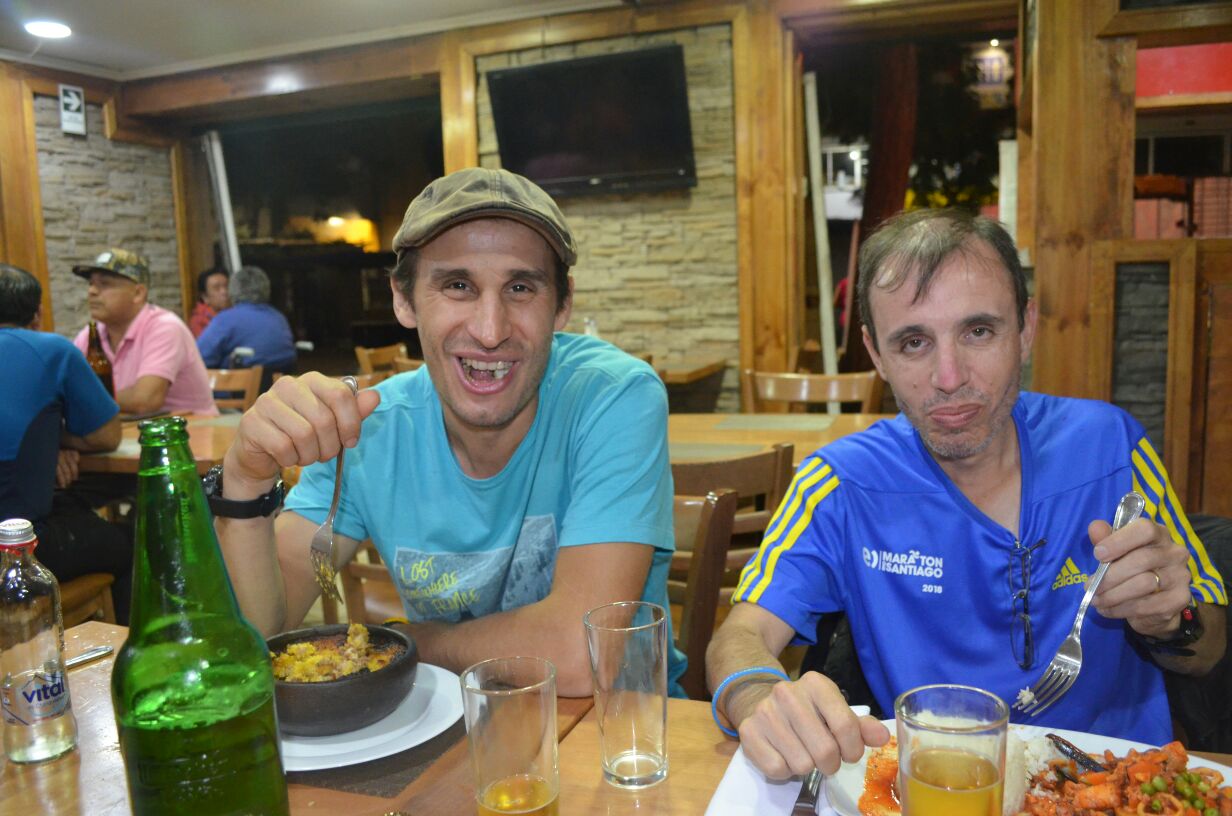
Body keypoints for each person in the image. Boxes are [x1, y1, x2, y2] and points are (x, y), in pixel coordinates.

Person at [706, 207, 1227, 779]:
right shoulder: (840, 484)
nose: (949, 377)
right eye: (913, 342)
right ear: (876, 354)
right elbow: (741, 634)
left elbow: (1210, 649)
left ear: (1025, 328)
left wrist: (1172, 619)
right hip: (937, 786)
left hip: (1118, 784)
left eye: (978, 331)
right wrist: (757, 695)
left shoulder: (1111, 448)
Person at [211, 167, 685, 697]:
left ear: (563, 304)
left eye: (520, 287)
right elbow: (258, 633)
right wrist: (244, 482)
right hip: (445, 730)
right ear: (404, 299)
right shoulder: (370, 429)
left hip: (621, 733)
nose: (490, 330)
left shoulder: (612, 397)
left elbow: (581, 656)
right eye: (458, 286)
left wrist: (411, 642)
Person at [0, 263, 133, 623]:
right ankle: (122, 647)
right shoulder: (51, 350)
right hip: (18, 548)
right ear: (38, 314)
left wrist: (45, 437)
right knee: (131, 541)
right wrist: (52, 436)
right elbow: (107, 435)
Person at [71, 248, 217, 416]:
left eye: (105, 284)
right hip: (132, 428)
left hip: (190, 428)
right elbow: (67, 388)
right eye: (91, 283)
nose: (92, 291)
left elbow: (145, 401)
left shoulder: (164, 327)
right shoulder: (90, 334)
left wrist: (85, 397)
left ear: (138, 293)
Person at [196, 265, 296, 378]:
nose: (224, 292)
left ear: (232, 291)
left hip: (239, 387)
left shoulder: (225, 319)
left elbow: (198, 359)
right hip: (281, 385)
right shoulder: (279, 318)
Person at [189, 266, 229, 337]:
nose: (224, 292)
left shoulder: (235, 313)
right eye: (217, 288)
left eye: (226, 286)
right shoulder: (199, 321)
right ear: (205, 297)